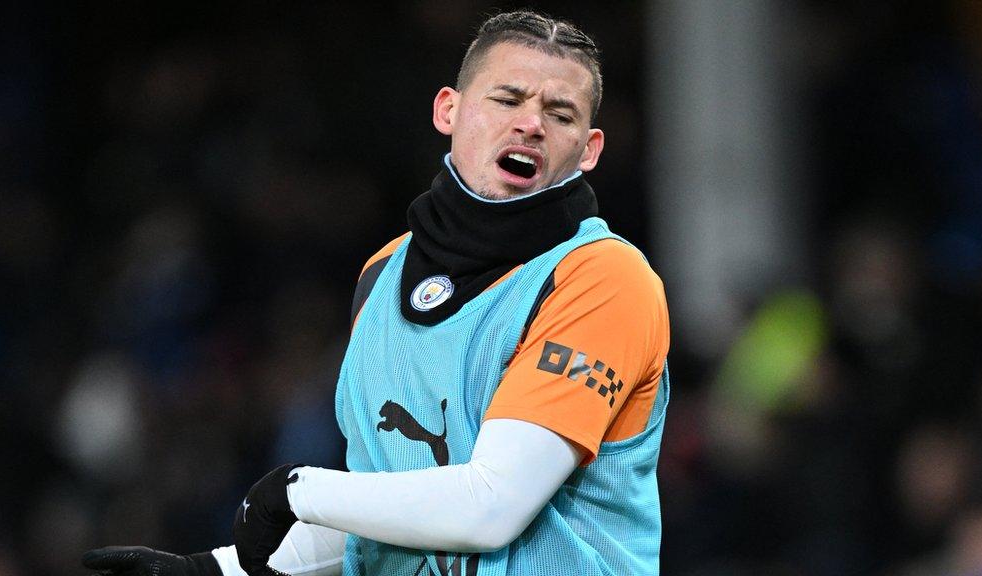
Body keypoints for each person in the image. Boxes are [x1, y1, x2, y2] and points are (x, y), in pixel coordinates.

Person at [83, 10, 670, 576]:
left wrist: (299, 490)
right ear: (449, 109)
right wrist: (213, 570)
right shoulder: (384, 272)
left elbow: (492, 506)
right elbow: (387, 510)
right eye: (508, 99)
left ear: (589, 150)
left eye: (560, 114)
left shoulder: (603, 278)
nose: (532, 124)